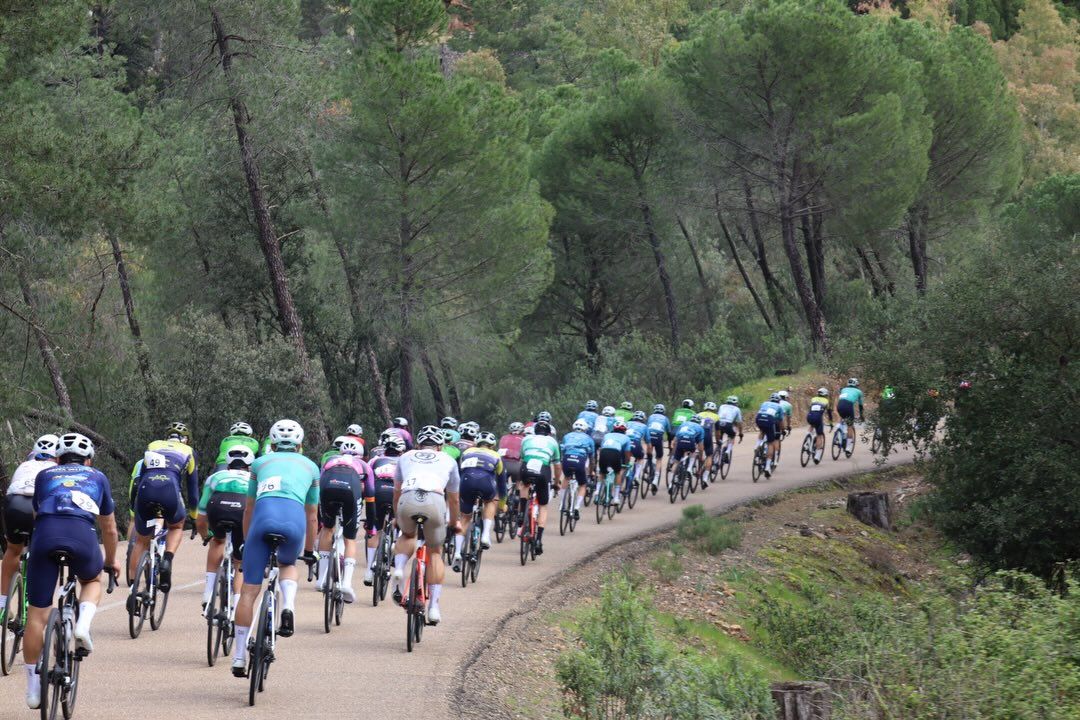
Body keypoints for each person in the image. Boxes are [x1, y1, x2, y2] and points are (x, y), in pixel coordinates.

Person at [24, 433, 119, 708]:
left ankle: (32, 689)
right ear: (88, 459)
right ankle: (83, 626)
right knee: (92, 579)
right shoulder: (97, 477)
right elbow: (110, 528)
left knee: (36, 616)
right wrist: (110, 561)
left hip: (45, 536)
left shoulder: (45, 475)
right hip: (81, 534)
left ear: (58, 458)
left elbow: (37, 513)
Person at [231, 420, 318, 677]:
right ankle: (288, 607)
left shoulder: (258, 463)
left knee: (248, 592)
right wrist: (310, 550)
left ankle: (238, 657)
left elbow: (249, 508)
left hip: (261, 522)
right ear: (300, 445)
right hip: (294, 521)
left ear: (271, 443)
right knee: (288, 564)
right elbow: (312, 515)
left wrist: (247, 541)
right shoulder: (312, 467)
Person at [392, 426, 461, 625]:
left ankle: (398, 569)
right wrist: (454, 522)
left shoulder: (406, 456)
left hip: (408, 497)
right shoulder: (448, 460)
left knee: (407, 535)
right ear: (440, 446)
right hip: (434, 501)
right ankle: (434, 608)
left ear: (418, 445)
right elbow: (455, 500)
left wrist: (398, 516)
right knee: (435, 552)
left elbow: (396, 493)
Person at [128, 422, 199, 595]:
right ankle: (167, 559)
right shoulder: (189, 452)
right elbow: (193, 490)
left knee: (141, 540)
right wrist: (194, 517)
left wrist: (134, 506)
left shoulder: (153, 446)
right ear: (185, 440)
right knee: (176, 526)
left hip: (146, 490)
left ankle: (133, 587)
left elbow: (139, 479)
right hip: (170, 491)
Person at [1, 435, 58, 622]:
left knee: (13, 549)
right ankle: (33, 603)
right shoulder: (56, 469)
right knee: (42, 552)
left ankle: (2, 605)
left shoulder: (24, 465)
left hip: (15, 503)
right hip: (38, 507)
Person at [316, 437, 373, 603]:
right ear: (361, 455)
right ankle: (346, 584)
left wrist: (320, 520)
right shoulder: (364, 466)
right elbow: (370, 497)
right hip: (350, 490)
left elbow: (319, 486)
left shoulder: (330, 460)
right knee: (350, 539)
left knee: (327, 529)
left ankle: (321, 579)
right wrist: (371, 526)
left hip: (327, 487)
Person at [196, 446, 251, 611]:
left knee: (217, 541)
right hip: (242, 507)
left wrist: (205, 535)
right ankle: (237, 603)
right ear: (249, 466)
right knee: (240, 559)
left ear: (227, 464)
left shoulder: (215, 477)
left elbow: (201, 515)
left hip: (217, 506)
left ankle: (207, 594)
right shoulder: (254, 478)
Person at [453, 431, 504, 570]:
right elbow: (502, 484)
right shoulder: (496, 456)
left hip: (466, 483)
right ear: (492, 446)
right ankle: (486, 535)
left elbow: (458, 473)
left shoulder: (467, 452)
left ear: (477, 443)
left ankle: (457, 553)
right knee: (491, 501)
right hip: (486, 484)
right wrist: (502, 503)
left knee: (464, 518)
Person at [365, 434, 405, 585]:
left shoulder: (375, 460)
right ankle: (395, 546)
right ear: (401, 450)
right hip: (396, 494)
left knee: (376, 532)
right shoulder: (404, 461)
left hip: (378, 493)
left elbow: (366, 478)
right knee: (402, 524)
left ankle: (369, 572)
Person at [518, 421, 562, 555]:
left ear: (535, 431)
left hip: (527, 466)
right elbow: (557, 465)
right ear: (549, 433)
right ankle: (538, 540)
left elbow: (522, 458)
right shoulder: (552, 442)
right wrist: (556, 482)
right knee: (543, 505)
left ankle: (521, 512)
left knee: (524, 484)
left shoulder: (526, 439)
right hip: (543, 469)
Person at [560, 419, 596, 519]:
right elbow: (592, 458)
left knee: (566, 478)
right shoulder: (589, 438)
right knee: (582, 484)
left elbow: (562, 450)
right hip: (580, 461)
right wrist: (591, 471)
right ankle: (576, 507)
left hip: (567, 459)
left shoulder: (566, 436)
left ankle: (561, 503)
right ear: (585, 429)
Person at [598, 419, 632, 505]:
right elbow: (627, 453)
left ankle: (597, 491)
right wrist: (627, 464)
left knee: (602, 472)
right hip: (615, 453)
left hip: (604, 453)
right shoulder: (627, 438)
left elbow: (601, 448)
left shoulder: (607, 435)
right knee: (618, 472)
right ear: (625, 430)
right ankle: (616, 497)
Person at [755, 394, 785, 477]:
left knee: (762, 431)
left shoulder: (764, 403)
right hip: (769, 419)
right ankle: (767, 467)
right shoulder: (779, 407)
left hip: (759, 418)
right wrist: (783, 430)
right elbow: (781, 421)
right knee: (771, 443)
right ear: (779, 401)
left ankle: (757, 446)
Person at [645, 404, 672, 490]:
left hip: (649, 436)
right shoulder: (665, 419)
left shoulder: (650, 417)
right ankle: (656, 479)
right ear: (663, 411)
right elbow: (669, 433)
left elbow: (646, 427)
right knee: (659, 458)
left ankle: (649, 464)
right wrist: (669, 445)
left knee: (649, 453)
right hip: (658, 437)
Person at [672, 414, 705, 479]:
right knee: (693, 452)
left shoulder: (683, 424)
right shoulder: (700, 428)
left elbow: (675, 440)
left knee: (676, 462)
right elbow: (701, 447)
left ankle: (671, 483)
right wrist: (701, 457)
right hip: (690, 441)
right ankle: (689, 468)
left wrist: (674, 452)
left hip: (680, 440)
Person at [837, 378, 865, 453]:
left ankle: (839, 429)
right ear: (856, 384)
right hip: (848, 406)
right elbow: (860, 406)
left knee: (842, 416)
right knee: (850, 426)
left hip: (839, 405)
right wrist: (862, 416)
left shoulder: (843, 389)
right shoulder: (859, 392)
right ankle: (848, 447)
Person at [806, 388, 833, 463]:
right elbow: (829, 413)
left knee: (812, 425)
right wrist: (831, 423)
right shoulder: (826, 401)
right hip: (818, 418)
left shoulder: (813, 399)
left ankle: (807, 439)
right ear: (825, 395)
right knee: (819, 435)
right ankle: (817, 456)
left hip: (809, 416)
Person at [698, 402, 721, 488]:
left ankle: (690, 466)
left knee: (693, 451)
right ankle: (705, 477)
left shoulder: (699, 414)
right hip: (707, 435)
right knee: (709, 455)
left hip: (697, 434)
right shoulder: (716, 416)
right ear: (714, 409)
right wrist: (718, 441)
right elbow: (718, 432)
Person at [497, 422, 526, 489]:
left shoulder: (504, 437)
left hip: (503, 464)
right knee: (517, 481)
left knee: (501, 485)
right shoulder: (524, 439)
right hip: (517, 465)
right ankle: (517, 492)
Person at [716, 396, 744, 463]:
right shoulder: (737, 409)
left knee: (719, 441)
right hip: (728, 424)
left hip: (718, 423)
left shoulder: (722, 406)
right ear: (736, 403)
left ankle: (716, 459)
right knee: (732, 435)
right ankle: (728, 451)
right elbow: (739, 423)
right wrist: (740, 433)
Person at [625, 411, 649, 485]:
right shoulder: (644, 426)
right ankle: (637, 475)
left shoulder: (627, 423)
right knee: (641, 457)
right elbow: (647, 441)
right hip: (636, 443)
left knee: (625, 459)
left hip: (625, 443)